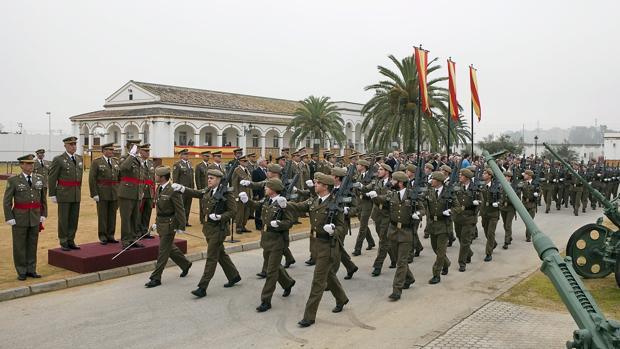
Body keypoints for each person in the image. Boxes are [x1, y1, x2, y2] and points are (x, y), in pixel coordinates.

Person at [288, 173, 349, 327]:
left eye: (317, 183)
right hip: (316, 244)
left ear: (325, 187)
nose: (315, 185)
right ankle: (341, 298)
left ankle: (309, 316)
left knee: (318, 281)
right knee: (328, 275)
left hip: (328, 246)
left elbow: (342, 227)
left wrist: (333, 229)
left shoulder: (335, 204)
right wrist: (284, 204)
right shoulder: (314, 200)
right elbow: (300, 206)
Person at [176, 169, 242, 298]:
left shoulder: (227, 193)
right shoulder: (208, 190)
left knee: (211, 257)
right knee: (220, 254)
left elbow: (233, 211)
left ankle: (202, 287)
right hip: (208, 229)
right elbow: (197, 193)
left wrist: (220, 217)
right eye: (208, 178)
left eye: (211, 178)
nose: (209, 180)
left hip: (219, 229)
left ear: (218, 179)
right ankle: (234, 276)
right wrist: (183, 189)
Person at [372, 171, 422, 300]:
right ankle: (409, 278)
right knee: (400, 260)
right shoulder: (391, 194)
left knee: (401, 262)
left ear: (400, 183)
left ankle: (397, 290)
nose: (391, 182)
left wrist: (419, 214)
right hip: (393, 231)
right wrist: (374, 196)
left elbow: (422, 209)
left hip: (406, 232)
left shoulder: (412, 195)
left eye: (394, 181)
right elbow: (382, 201)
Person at [144, 166, 192, 288]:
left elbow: (180, 209)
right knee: (169, 248)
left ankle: (156, 278)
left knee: (163, 251)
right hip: (161, 222)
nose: (155, 177)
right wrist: (156, 222)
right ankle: (185, 264)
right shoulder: (160, 187)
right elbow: (160, 209)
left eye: (156, 175)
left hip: (170, 224)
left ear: (162, 177)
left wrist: (181, 225)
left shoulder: (173, 190)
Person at [253, 178, 296, 312]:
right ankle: (288, 282)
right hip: (266, 239)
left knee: (271, 272)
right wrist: (246, 201)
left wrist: (279, 224)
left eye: (267, 187)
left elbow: (290, 222)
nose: (265, 189)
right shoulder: (267, 200)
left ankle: (266, 301)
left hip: (278, 241)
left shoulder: (283, 203)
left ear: (273, 189)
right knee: (275, 266)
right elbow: (257, 206)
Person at [3, 154, 47, 280]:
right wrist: (9, 217)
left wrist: (43, 213)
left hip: (34, 216)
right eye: (28, 163)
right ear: (21, 165)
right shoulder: (14, 180)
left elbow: (43, 198)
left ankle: (31, 269)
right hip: (19, 217)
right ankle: (21, 270)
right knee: (19, 245)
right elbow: (7, 201)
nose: (31, 166)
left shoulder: (39, 178)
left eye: (32, 163)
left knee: (32, 244)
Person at [48, 136, 83, 251]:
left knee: (74, 219)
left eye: (74, 144)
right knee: (64, 219)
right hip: (64, 193)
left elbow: (79, 178)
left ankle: (71, 240)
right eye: (71, 145)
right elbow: (52, 177)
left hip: (75, 194)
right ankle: (63, 241)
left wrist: (78, 191)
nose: (73, 146)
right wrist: (52, 194)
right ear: (65, 146)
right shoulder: (58, 159)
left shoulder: (79, 158)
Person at [423, 171, 458, 284]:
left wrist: (451, 211)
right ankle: (446, 263)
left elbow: (458, 207)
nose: (431, 181)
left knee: (441, 251)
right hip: (433, 224)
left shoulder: (449, 193)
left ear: (438, 181)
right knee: (435, 248)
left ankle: (436, 274)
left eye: (433, 179)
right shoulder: (430, 191)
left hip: (444, 225)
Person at [366, 163, 396, 276]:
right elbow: (366, 189)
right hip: (377, 214)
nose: (378, 171)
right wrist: (359, 186)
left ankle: (377, 266)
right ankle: (394, 259)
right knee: (384, 239)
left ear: (387, 172)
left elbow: (388, 198)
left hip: (386, 215)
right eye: (378, 169)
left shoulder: (392, 183)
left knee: (383, 241)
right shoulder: (377, 181)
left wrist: (375, 197)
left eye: (381, 169)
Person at [88, 142, 120, 244]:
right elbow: (92, 178)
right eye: (110, 150)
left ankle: (111, 235)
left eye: (112, 150)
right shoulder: (96, 162)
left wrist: (119, 191)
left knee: (112, 215)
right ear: (104, 151)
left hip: (114, 192)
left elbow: (119, 178)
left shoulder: (115, 162)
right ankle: (103, 236)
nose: (112, 152)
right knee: (102, 216)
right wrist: (94, 193)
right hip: (102, 192)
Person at [331, 167, 359, 280]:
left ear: (337, 178)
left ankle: (331, 278)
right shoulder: (330, 189)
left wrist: (348, 211)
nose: (330, 177)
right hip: (330, 223)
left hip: (342, 224)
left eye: (332, 175)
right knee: (338, 248)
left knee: (335, 250)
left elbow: (356, 207)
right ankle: (350, 266)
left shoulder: (348, 192)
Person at [118, 142, 146, 248]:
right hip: (126, 193)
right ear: (129, 147)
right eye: (135, 147)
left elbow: (141, 177)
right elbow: (123, 168)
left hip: (137, 193)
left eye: (138, 147)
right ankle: (125, 240)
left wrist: (141, 190)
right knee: (126, 218)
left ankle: (133, 239)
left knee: (135, 217)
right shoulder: (124, 158)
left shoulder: (139, 160)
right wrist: (132, 155)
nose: (138, 149)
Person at [452, 168, 479, 272]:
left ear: (467, 177)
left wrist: (475, 210)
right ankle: (469, 253)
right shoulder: (456, 186)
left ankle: (462, 263)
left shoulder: (474, 188)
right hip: (458, 217)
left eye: (461, 175)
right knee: (459, 237)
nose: (459, 177)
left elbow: (480, 201)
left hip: (469, 217)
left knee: (465, 241)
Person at [352, 159, 376, 255]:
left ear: (363, 166)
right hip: (359, 202)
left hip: (367, 203)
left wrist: (363, 187)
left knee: (362, 226)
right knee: (364, 224)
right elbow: (354, 186)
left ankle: (357, 249)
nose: (357, 166)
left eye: (359, 164)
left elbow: (372, 185)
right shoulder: (358, 175)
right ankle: (371, 242)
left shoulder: (372, 176)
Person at [479, 169, 500, 262]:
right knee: (486, 231)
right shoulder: (481, 186)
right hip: (484, 213)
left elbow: (502, 198)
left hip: (493, 213)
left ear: (490, 175)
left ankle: (488, 253)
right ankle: (493, 243)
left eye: (485, 173)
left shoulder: (497, 186)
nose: (483, 175)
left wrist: (498, 203)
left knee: (491, 233)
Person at [173, 149, 195, 226]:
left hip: (189, 189)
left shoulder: (190, 164)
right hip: (181, 189)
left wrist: (192, 188)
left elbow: (191, 177)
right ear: (181, 155)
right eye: (185, 154)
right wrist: (176, 189)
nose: (187, 156)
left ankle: (185, 221)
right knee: (180, 206)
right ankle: (179, 222)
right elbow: (175, 178)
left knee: (188, 206)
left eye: (187, 154)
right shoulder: (177, 164)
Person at [232, 155, 253, 233]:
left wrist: (251, 194)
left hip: (248, 194)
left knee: (246, 212)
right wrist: (236, 195)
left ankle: (243, 226)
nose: (246, 162)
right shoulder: (237, 170)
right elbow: (234, 184)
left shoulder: (247, 170)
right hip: (241, 195)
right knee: (240, 212)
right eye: (244, 161)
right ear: (240, 162)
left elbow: (250, 183)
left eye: (246, 161)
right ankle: (238, 227)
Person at [138, 144, 156, 239]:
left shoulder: (150, 163)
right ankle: (137, 232)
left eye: (148, 151)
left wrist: (154, 193)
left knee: (147, 212)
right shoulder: (137, 162)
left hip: (149, 191)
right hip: (140, 190)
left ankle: (144, 231)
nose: (148, 153)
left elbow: (152, 179)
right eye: (146, 151)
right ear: (140, 152)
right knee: (138, 212)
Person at [500, 171, 518, 250]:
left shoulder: (513, 186)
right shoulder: (501, 185)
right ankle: (509, 236)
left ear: (509, 177)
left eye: (506, 176)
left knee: (508, 224)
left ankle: (506, 242)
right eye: (504, 176)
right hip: (503, 207)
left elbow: (517, 198)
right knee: (505, 224)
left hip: (510, 208)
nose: (504, 178)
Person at [520, 170, 539, 242]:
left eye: (525, 174)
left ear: (529, 176)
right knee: (526, 221)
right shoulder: (523, 183)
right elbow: (518, 188)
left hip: (532, 204)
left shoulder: (535, 184)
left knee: (530, 221)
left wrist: (538, 194)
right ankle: (528, 232)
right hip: (524, 204)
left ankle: (528, 236)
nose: (524, 175)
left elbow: (539, 191)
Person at [195, 151, 211, 224]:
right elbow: (197, 178)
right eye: (206, 156)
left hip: (210, 188)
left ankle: (209, 218)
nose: (208, 157)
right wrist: (199, 189)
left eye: (208, 156)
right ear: (203, 156)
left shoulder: (210, 165)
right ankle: (202, 219)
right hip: (203, 188)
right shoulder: (199, 166)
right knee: (202, 204)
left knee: (210, 203)